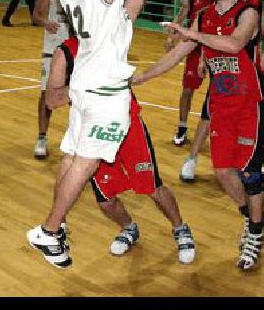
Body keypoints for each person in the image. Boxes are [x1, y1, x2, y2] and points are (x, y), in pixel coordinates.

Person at [26, 0, 135, 269]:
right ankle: (50, 230)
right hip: (104, 91)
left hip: (83, 85)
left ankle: (58, 230)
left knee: (72, 160)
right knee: (83, 164)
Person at [132, 0, 264, 271]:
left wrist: (191, 34)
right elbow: (177, 54)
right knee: (223, 171)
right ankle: (253, 219)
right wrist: (143, 76)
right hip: (221, 101)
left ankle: (255, 232)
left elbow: (235, 44)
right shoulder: (203, 16)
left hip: (250, 102)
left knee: (250, 171)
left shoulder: (247, 10)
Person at [45, 35, 195, 265]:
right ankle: (128, 227)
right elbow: (52, 100)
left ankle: (180, 228)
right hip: (93, 130)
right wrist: (84, 85)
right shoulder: (65, 52)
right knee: (105, 200)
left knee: (152, 187)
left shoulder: (109, 37)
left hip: (127, 122)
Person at [178, 0, 264, 183]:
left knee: (255, 121)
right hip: (221, 74)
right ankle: (192, 158)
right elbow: (211, 35)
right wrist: (204, 59)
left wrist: (262, 63)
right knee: (208, 115)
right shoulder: (216, 8)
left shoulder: (255, 6)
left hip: (246, 76)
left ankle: (252, 161)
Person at [165, 0, 216, 146]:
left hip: (217, 47)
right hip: (195, 47)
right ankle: (182, 127)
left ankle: (218, 130)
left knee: (220, 91)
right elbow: (181, 17)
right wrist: (172, 36)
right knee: (188, 89)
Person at [31, 0, 71, 159]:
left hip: (76, 51)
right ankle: (42, 137)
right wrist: (46, 22)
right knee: (46, 95)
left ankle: (75, 140)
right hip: (53, 49)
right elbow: (36, 15)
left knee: (77, 97)